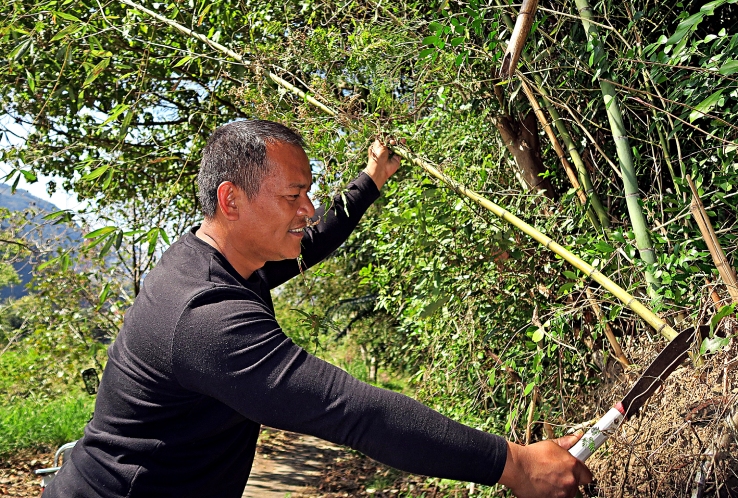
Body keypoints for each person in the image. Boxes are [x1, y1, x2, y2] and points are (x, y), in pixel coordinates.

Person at [44, 120, 591, 498]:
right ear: (231, 200)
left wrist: (372, 178)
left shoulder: (228, 259)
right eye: (293, 196)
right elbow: (350, 409)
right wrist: (513, 465)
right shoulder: (205, 314)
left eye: (309, 193)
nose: (307, 209)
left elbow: (316, 239)